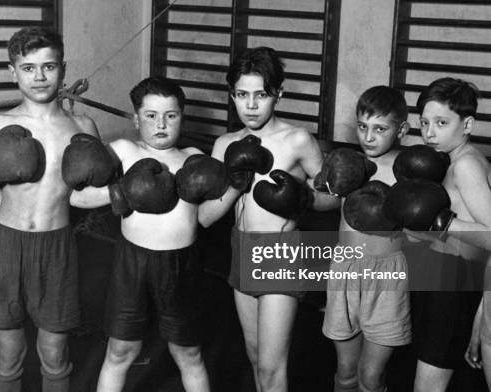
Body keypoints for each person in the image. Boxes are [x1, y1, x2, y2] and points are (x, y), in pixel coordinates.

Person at [0, 27, 98, 392]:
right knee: (9, 351)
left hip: (58, 246)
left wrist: (126, 193)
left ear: (62, 69)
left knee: (54, 352)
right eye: (28, 67)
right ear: (11, 71)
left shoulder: (82, 126)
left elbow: (84, 197)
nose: (39, 77)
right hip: (6, 245)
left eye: (48, 67)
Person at [198, 46, 339, 392]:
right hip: (241, 248)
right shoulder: (224, 144)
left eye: (260, 95)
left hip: (281, 251)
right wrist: (234, 184)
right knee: (256, 356)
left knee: (272, 367)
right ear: (231, 95)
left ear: (279, 93)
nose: (250, 105)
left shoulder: (297, 140)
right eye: (242, 95)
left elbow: (334, 199)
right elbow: (204, 217)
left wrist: (304, 197)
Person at [70, 76, 215, 392]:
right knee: (121, 350)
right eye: (151, 115)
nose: (161, 124)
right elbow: (78, 198)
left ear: (182, 117)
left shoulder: (193, 158)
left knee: (188, 353)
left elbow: (205, 218)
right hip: (132, 263)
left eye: (171, 115)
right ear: (136, 119)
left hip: (182, 264)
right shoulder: (124, 150)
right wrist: (123, 190)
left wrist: (236, 185)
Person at [401, 77, 490, 392]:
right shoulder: (446, 162)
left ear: (467, 124)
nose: (429, 132)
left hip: (455, 289)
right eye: (424, 122)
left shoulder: (466, 165)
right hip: (437, 282)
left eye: (441, 122)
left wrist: (445, 223)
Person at [321, 86, 411, 392]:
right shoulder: (350, 165)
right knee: (345, 372)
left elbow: (429, 232)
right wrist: (299, 193)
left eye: (380, 129)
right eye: (362, 127)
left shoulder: (408, 173)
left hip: (386, 276)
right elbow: (324, 202)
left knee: (370, 377)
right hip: (345, 268)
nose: (368, 137)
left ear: (402, 130)